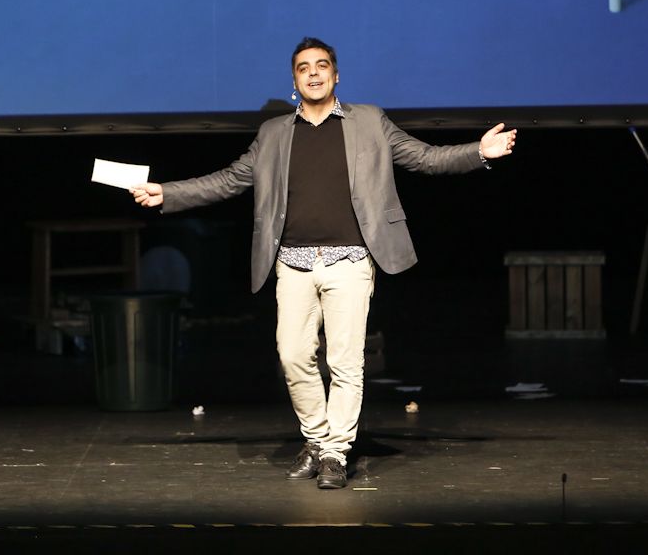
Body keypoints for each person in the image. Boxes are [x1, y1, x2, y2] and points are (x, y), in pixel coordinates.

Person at [131, 38, 516, 489]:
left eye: (321, 66)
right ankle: (316, 439)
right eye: (303, 68)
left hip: (349, 262)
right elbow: (229, 180)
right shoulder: (274, 133)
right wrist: (168, 193)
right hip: (292, 264)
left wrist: (478, 152)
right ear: (294, 81)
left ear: (336, 75)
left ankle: (335, 453)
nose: (313, 73)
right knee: (292, 355)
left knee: (346, 362)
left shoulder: (370, 121)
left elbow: (426, 158)